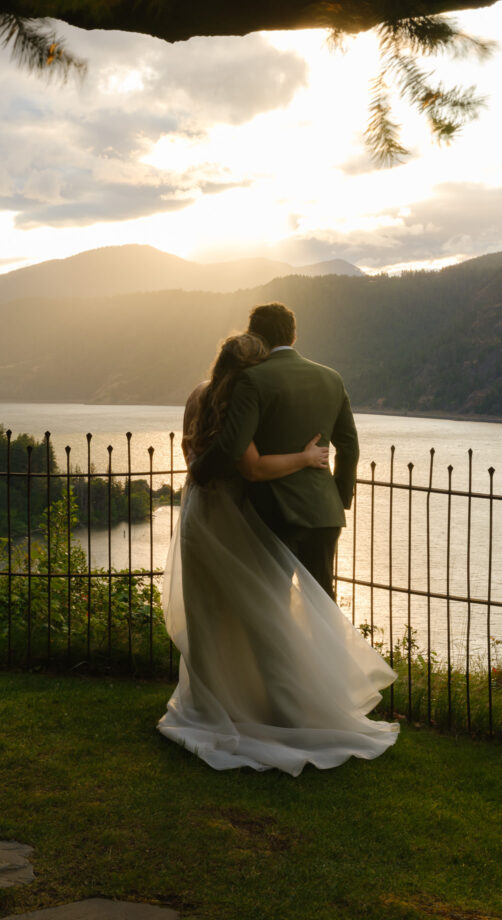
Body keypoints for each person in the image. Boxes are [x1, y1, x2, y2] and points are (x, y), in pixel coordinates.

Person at [157, 330, 398, 776]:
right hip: (232, 519)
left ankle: (214, 705)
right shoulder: (237, 404)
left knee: (207, 617)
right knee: (262, 617)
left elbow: (192, 454)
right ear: (253, 369)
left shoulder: (196, 396)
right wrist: (306, 459)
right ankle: (279, 707)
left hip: (196, 515)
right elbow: (253, 466)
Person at [190, 302, 358, 599]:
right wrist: (339, 496)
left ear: (257, 335)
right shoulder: (332, 377)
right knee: (321, 608)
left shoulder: (252, 379)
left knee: (272, 606)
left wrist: (199, 471)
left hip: (275, 512)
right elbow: (349, 446)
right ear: (294, 335)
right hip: (324, 513)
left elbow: (232, 446)